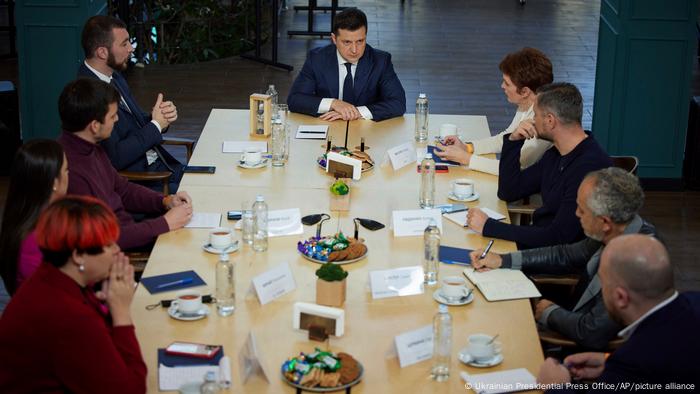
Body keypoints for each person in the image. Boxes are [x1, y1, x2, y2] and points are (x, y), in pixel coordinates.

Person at [472, 168, 657, 349]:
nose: (576, 214)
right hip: (571, 319)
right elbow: (565, 255)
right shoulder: (621, 226)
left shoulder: (634, 264)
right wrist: (503, 260)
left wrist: (550, 313)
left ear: (604, 222)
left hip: (582, 354)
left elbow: (591, 331)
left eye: (582, 210)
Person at [0, 196, 147, 393]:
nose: (117, 250)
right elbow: (130, 390)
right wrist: (121, 312)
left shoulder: (52, 276)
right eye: (108, 244)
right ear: (78, 255)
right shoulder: (66, 314)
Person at [537, 235, 700, 391]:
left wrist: (555, 386)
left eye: (603, 284)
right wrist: (608, 360)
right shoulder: (694, 302)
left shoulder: (631, 364)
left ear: (621, 297)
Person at [467, 82, 612, 249]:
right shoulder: (557, 153)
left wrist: (490, 227)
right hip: (538, 240)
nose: (532, 121)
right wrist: (513, 141)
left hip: (554, 257)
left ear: (550, 121)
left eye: (535, 115)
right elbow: (509, 191)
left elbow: (558, 237)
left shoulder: (588, 168)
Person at [57, 78, 193, 250]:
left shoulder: (91, 147)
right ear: (94, 126)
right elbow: (106, 238)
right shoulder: (70, 171)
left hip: (130, 229)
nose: (116, 120)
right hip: (119, 246)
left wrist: (166, 201)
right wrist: (165, 223)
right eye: (113, 116)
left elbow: (123, 190)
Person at [79, 15, 184, 192]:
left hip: (163, 168)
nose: (131, 49)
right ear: (102, 52)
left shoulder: (115, 76)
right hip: (144, 182)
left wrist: (160, 118)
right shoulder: (88, 94)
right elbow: (116, 157)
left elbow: (136, 123)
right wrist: (155, 125)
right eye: (124, 44)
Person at [434, 47, 553, 175]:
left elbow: (516, 168)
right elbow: (507, 137)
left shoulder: (543, 122)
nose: (502, 86)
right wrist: (468, 147)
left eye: (507, 83)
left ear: (525, 91)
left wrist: (466, 159)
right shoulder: (527, 103)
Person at [287, 7, 406, 122]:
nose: (354, 50)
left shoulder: (381, 61)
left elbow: (398, 103)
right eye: (347, 42)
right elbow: (295, 99)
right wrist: (334, 103)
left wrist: (356, 112)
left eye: (360, 41)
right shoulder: (317, 59)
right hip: (330, 126)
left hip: (367, 130)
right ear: (334, 39)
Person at [0, 140, 68, 296]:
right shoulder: (33, 241)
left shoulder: (31, 218)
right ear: (54, 183)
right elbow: (57, 296)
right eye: (66, 170)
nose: (69, 175)